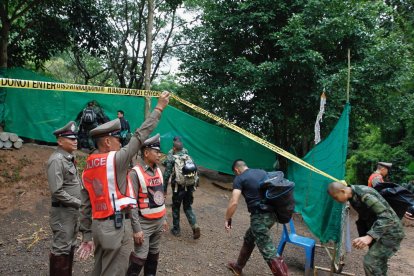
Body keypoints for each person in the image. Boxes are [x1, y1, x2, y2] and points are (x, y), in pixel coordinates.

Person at [77, 91, 170, 276]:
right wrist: (159, 108)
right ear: (107, 141)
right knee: (114, 271)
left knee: (99, 268)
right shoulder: (116, 159)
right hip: (115, 226)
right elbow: (140, 135)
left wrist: (86, 235)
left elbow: (85, 205)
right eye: (118, 139)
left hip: (97, 227)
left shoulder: (89, 164)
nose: (121, 143)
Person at [225, 159, 288, 276]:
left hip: (259, 217)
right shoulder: (261, 172)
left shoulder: (239, 178)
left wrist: (227, 218)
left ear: (236, 170)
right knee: (249, 238)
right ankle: (238, 267)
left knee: (269, 251)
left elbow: (234, 202)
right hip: (272, 215)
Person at [327, 182, 405, 276]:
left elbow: (387, 217)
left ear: (343, 191)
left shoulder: (364, 195)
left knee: (370, 262)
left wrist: (370, 236)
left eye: (336, 197)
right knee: (378, 264)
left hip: (391, 232)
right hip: (382, 231)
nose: (336, 200)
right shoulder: (352, 196)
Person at [126, 134, 168, 275]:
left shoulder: (158, 170)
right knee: (139, 258)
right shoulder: (135, 173)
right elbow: (132, 203)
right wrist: (136, 228)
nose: (159, 155)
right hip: (144, 224)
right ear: (146, 152)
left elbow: (160, 197)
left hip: (158, 222)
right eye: (156, 152)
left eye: (159, 152)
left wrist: (165, 218)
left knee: (153, 256)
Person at [47, 121, 82, 275]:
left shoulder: (68, 158)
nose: (75, 141)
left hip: (71, 211)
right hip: (63, 212)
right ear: (60, 141)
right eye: (71, 138)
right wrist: (78, 202)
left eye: (75, 138)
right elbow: (57, 191)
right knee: (61, 247)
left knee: (70, 244)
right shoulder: (56, 160)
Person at [163, 136, 200, 239]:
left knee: (176, 207)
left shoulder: (171, 157)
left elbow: (166, 175)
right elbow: (195, 171)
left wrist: (164, 190)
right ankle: (195, 225)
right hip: (189, 185)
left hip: (178, 187)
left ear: (174, 148)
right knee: (187, 207)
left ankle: (176, 230)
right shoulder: (188, 156)